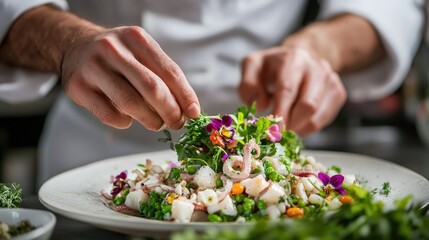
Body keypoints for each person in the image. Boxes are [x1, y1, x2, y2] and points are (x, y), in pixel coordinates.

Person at [0, 0, 424, 185]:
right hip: (92, 144)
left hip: (266, 148)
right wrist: (67, 42)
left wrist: (319, 48)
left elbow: (386, 4)